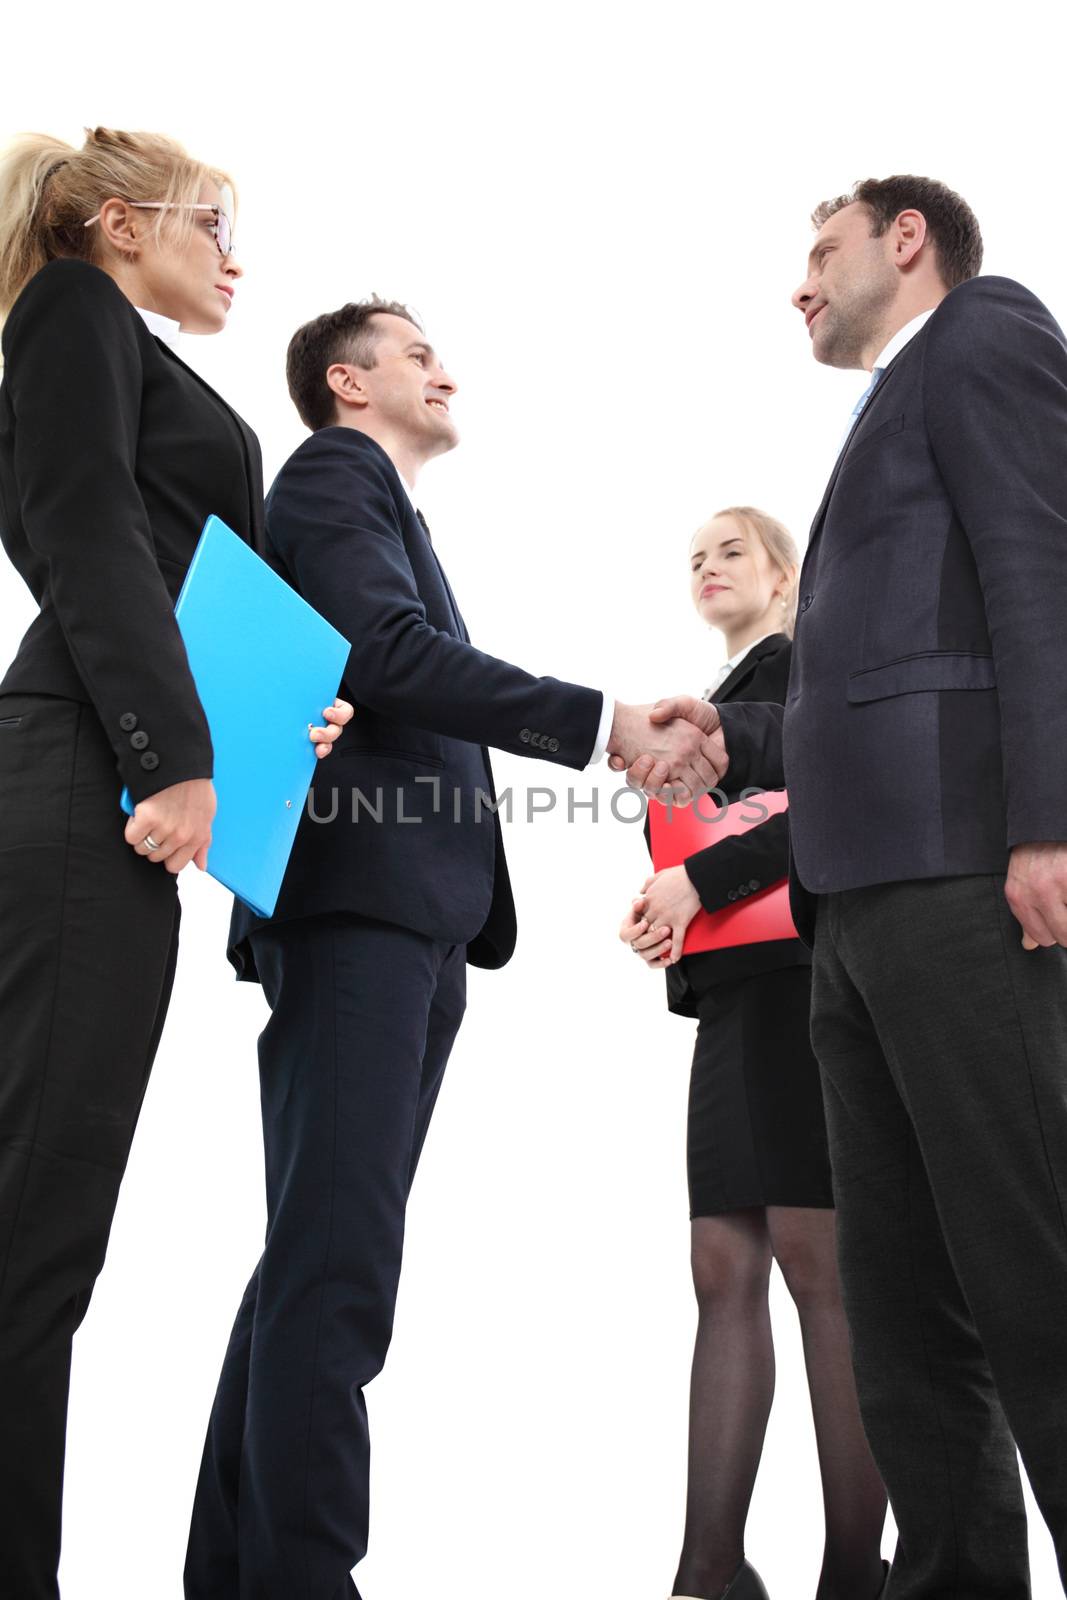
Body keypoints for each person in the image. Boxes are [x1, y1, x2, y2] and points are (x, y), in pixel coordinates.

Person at [182, 295, 723, 1600]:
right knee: (338, 1268)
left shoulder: (387, 507)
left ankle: (241, 1577)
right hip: (358, 909)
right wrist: (599, 725)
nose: (443, 369)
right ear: (344, 382)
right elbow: (387, 653)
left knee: (314, 1259)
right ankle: (304, 1579)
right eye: (416, 352)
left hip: (411, 920)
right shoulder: (330, 476)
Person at [617, 177, 1067, 1596]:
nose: (798, 283)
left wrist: (1047, 823)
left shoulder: (984, 332)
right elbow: (859, 678)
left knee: (1028, 1267)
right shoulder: (877, 415)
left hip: (956, 876)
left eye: (817, 252)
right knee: (897, 1298)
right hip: (850, 917)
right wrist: (726, 731)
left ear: (904, 239)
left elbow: (1037, 575)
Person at [0, 126, 349, 1599]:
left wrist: (275, 719)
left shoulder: (109, 335)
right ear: (124, 225)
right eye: (215, 231)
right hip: (89, 772)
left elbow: (164, 556)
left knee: (37, 1214)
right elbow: (78, 527)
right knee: (38, 1220)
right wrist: (177, 756)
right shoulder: (75, 308)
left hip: (103, 768)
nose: (234, 262)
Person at [619, 507, 888, 1600]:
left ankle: (848, 1573)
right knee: (721, 1264)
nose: (705, 567)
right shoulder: (720, 699)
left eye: (730, 549)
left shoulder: (805, 663)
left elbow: (834, 795)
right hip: (732, 1000)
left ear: (783, 576)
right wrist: (666, 915)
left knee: (817, 1268)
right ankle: (708, 1570)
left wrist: (697, 888)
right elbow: (702, 845)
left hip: (797, 988)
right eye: (692, 557)